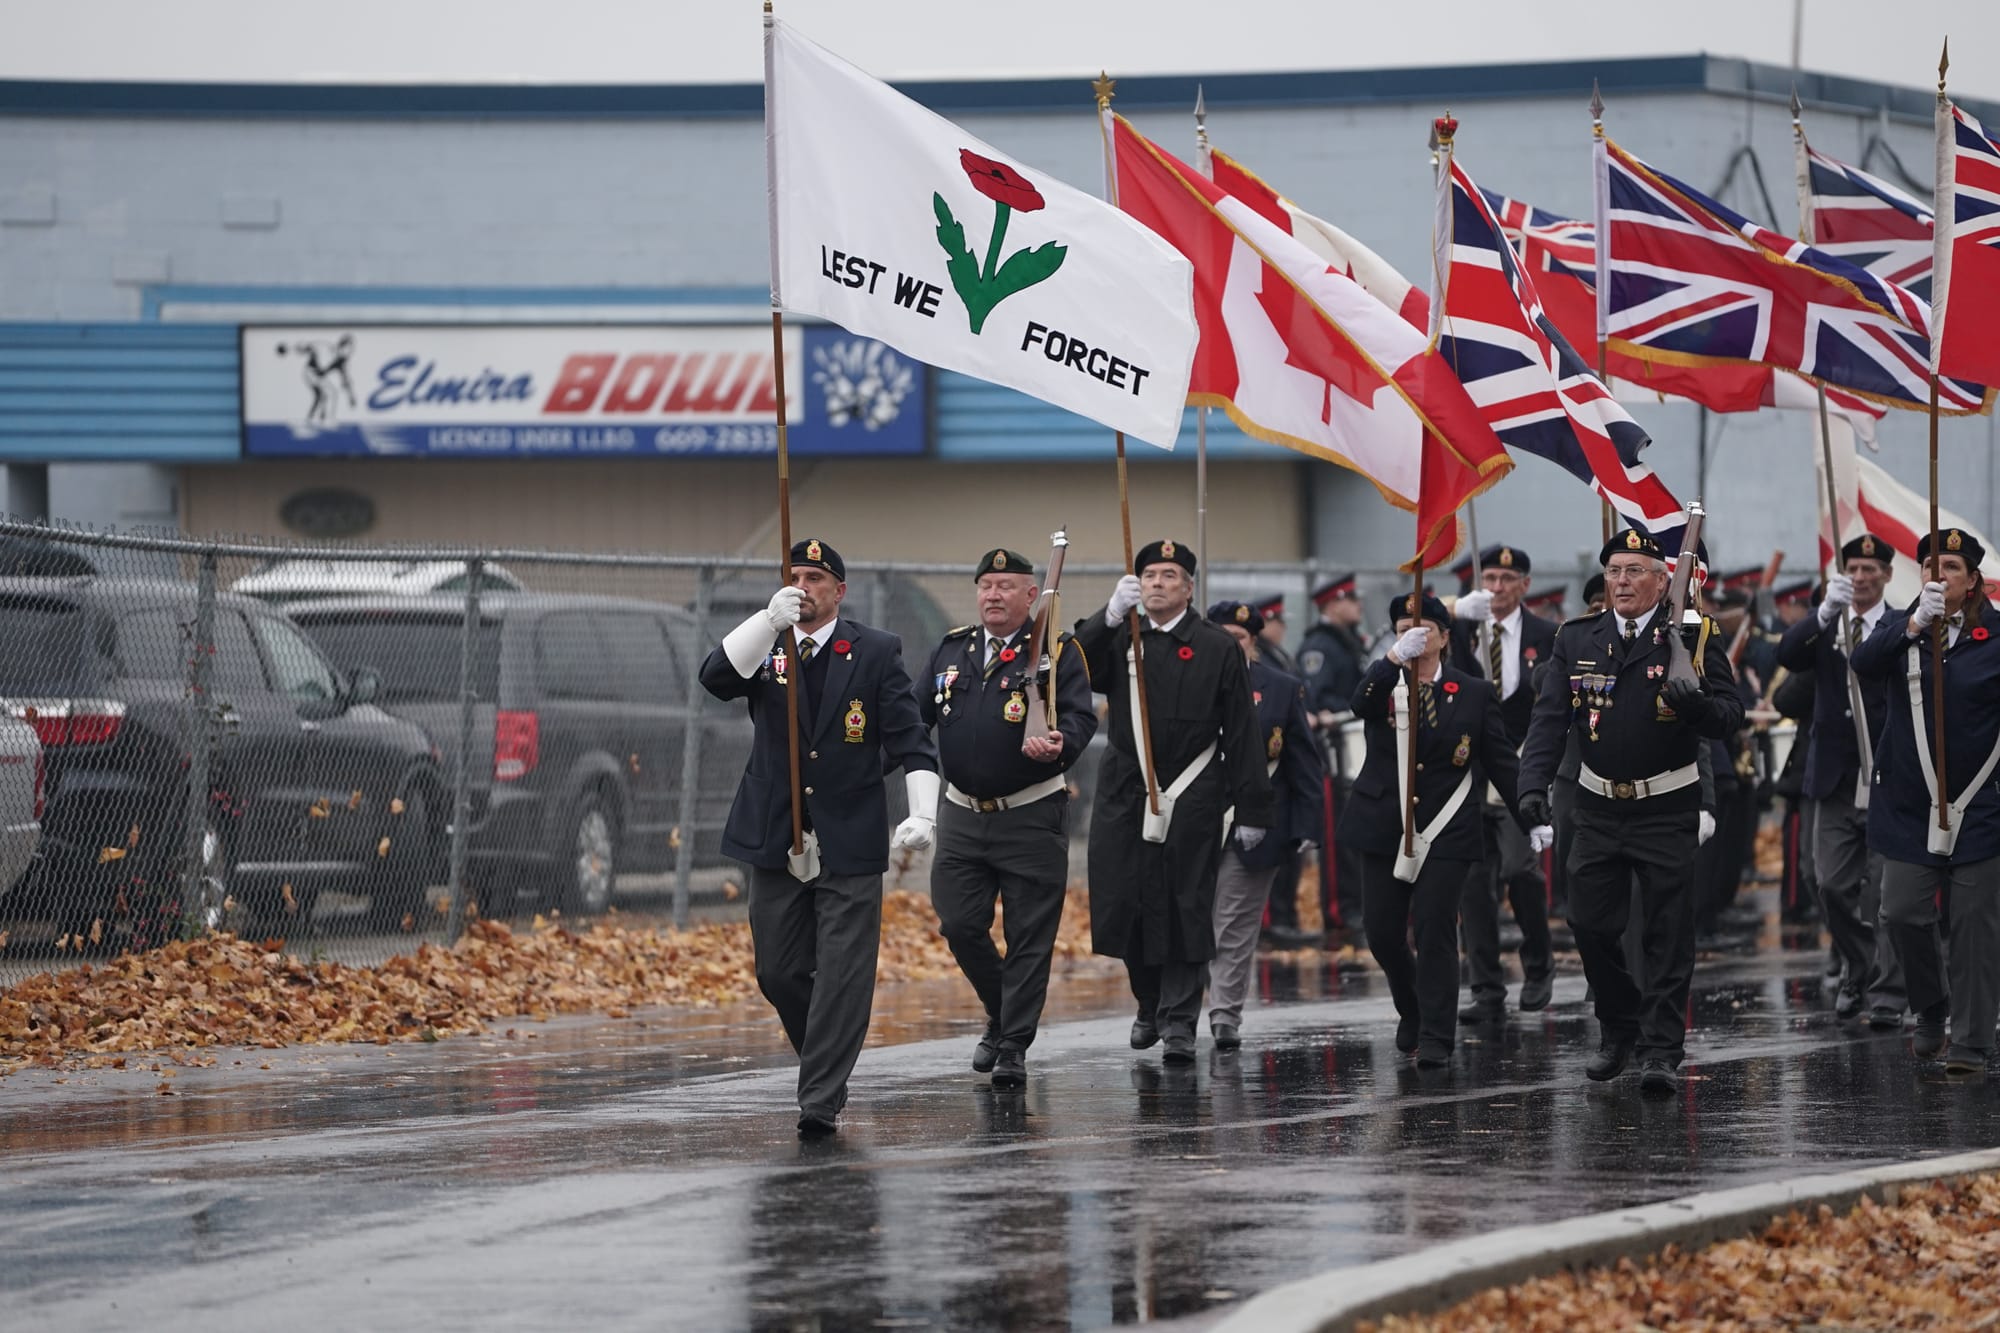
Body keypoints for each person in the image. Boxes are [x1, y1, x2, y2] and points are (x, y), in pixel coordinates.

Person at [700, 537, 940, 1137]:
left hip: (849, 833)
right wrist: (763, 621)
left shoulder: (876, 651)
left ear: (839, 590)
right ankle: (826, 1061)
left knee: (842, 972)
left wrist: (922, 813)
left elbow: (912, 741)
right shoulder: (767, 642)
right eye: (794, 576)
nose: (802, 587)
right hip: (775, 830)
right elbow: (714, 679)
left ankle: (821, 1098)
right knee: (778, 971)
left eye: (814, 578)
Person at [1518, 528, 1743, 1095]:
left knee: (1667, 933)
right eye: (1615, 571)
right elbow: (1549, 720)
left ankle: (1662, 1050)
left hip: (1666, 803)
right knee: (1589, 922)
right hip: (1596, 804)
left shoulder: (1692, 634)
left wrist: (1698, 706)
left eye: (1635, 571)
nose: (1621, 581)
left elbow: (1730, 716)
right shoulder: (1577, 638)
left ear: (1663, 581)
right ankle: (1620, 1024)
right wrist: (1532, 786)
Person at [1076, 539, 1273, 1063]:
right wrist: (1106, 617)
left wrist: (1253, 809)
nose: (1157, 583)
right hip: (1125, 789)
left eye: (1169, 574)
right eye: (1149, 575)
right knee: (1127, 902)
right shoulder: (1121, 636)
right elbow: (1067, 669)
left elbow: (1242, 731)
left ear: (1189, 587)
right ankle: (1149, 1002)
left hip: (1192, 791)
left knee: (1186, 903)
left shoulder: (1215, 646)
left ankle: (1181, 1020)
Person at [919, 547, 1098, 1089]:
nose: (992, 595)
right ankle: (1003, 1010)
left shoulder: (1057, 653)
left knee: (1028, 937)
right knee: (958, 922)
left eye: (1005, 585)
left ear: (1030, 595)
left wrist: (1061, 744)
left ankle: (1013, 1045)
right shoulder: (952, 650)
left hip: (1030, 815)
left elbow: (1081, 718)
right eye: (985, 586)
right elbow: (914, 717)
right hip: (962, 815)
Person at [1341, 592, 1543, 1069]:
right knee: (1383, 934)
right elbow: (1357, 704)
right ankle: (1411, 1005)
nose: (1415, 633)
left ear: (1446, 637)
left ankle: (1436, 1034)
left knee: (1435, 931)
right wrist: (1391, 660)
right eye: (1403, 626)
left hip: (1446, 827)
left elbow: (1499, 762)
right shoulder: (1385, 682)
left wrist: (1532, 814)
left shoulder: (1471, 692)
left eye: (1427, 626)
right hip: (1383, 823)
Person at [1850, 527, 2000, 1076]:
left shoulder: (1995, 635)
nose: (1939, 576)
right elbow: (1863, 666)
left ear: (1974, 580)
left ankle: (1973, 1040)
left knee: (1974, 927)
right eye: (1931, 567)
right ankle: (1931, 1005)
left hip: (1980, 804)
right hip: (1910, 805)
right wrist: (1913, 624)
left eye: (1952, 569)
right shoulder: (1900, 629)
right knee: (1904, 914)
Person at [1776, 534, 1902, 1024]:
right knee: (1828, 884)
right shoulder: (1828, 626)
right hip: (1833, 778)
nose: (1863, 575)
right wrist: (1825, 612)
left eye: (1872, 568)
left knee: (1884, 894)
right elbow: (1788, 654)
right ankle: (1858, 962)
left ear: (1887, 575)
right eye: (1854, 567)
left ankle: (1886, 991)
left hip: (1887, 776)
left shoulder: (1898, 624)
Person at [1203, 599, 1324, 1050]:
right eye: (1221, 638)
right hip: (1193, 821)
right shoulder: (1187, 682)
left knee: (1233, 922)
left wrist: (1307, 823)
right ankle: (1177, 1010)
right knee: (1193, 919)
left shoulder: (1280, 687)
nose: (1230, 646)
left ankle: (1225, 1014)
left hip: (1254, 823)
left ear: (1253, 644)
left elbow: (1302, 761)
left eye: (1239, 639)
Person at [1448, 544, 1558, 1021]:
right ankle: (1486, 987)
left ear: (1524, 586)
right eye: (1489, 578)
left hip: (1520, 765)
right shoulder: (1462, 629)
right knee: (1474, 882)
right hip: (1471, 767)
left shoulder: (1547, 636)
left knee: (1519, 869)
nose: (1496, 589)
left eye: (1506, 580)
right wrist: (1455, 621)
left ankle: (1538, 965)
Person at [1300, 572, 1370, 947]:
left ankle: (1356, 906)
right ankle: (1342, 911)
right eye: (1350, 599)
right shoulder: (1321, 646)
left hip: (1358, 753)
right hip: (1335, 753)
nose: (1358, 605)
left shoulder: (1347, 642)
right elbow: (1318, 698)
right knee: (1339, 836)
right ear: (1331, 603)